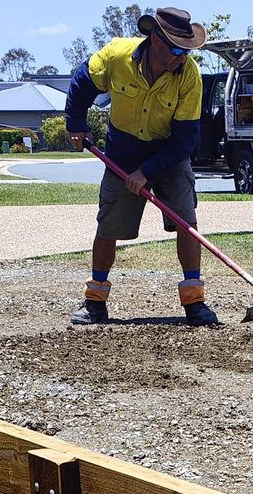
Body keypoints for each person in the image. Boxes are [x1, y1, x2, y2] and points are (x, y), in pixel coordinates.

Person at [64, 6, 217, 328]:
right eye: (176, 49)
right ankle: (95, 302)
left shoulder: (189, 75)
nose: (181, 57)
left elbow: (185, 138)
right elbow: (81, 83)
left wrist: (148, 172)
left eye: (186, 51)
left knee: (187, 223)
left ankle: (195, 302)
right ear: (155, 39)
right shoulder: (117, 55)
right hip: (122, 153)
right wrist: (75, 124)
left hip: (169, 154)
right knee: (108, 228)